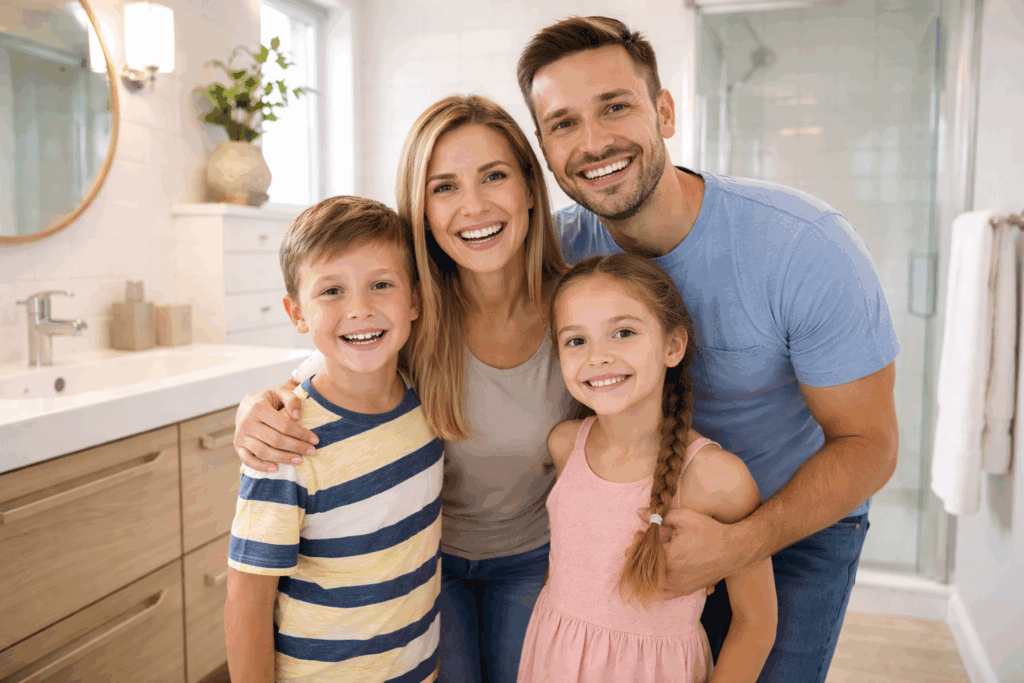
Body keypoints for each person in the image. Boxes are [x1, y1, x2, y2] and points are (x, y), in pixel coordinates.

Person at [516, 16, 900, 683]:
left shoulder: (802, 247)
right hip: (634, 528)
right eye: (563, 123)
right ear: (545, 150)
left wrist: (743, 540)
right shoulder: (554, 254)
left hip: (792, 520)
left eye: (615, 107)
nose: (594, 141)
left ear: (664, 111)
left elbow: (871, 442)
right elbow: (437, 320)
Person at [232, 96, 573, 683]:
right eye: (444, 186)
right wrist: (259, 406)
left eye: (493, 175)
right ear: (421, 209)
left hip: (530, 556)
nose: (473, 205)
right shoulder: (416, 316)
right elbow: (342, 355)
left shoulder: (574, 306)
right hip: (429, 567)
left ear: (530, 190)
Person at [518, 253, 777, 683]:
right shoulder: (565, 445)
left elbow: (756, 624)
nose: (598, 357)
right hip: (553, 659)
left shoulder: (716, 479)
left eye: (623, 333)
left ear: (673, 346)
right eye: (576, 340)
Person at [223, 196, 444, 683]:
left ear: (414, 300)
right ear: (297, 312)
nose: (360, 309)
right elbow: (248, 599)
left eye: (381, 285)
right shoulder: (285, 444)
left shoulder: (425, 402)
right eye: (332, 292)